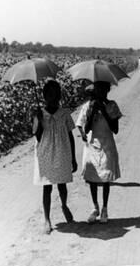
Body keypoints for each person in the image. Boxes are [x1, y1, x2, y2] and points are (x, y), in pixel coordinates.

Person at [32, 80, 78, 234]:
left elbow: (70, 135)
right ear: (44, 96)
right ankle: (47, 219)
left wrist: (73, 158)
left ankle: (64, 205)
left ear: (59, 96)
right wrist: (38, 120)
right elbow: (37, 136)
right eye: (49, 95)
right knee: (47, 186)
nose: (53, 97)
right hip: (45, 152)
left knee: (62, 184)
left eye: (55, 94)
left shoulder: (64, 113)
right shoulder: (40, 114)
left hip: (62, 151)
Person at [76, 81, 121, 224]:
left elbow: (115, 129)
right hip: (92, 145)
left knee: (106, 177)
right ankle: (95, 207)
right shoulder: (88, 106)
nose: (100, 92)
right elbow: (87, 128)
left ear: (108, 90)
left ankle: (105, 208)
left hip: (107, 144)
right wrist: (93, 112)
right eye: (98, 90)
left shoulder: (112, 105)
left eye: (103, 89)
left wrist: (105, 111)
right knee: (93, 177)